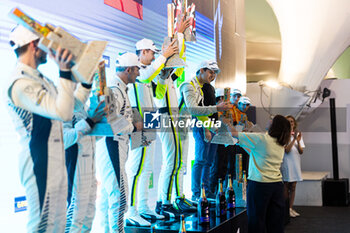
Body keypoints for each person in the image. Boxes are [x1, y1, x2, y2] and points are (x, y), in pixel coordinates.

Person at [6, 25, 91, 232]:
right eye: (45, 44)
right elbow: (62, 112)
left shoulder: (42, 79)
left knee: (58, 226)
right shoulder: (20, 83)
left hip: (55, 158)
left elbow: (72, 107)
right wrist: (64, 71)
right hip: (38, 161)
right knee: (43, 226)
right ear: (35, 45)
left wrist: (86, 83)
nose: (49, 50)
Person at [125, 35, 180, 225]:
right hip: (139, 121)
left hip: (151, 117)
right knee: (136, 167)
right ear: (143, 52)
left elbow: (158, 95)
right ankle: (130, 211)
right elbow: (147, 74)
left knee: (147, 167)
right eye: (152, 53)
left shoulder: (150, 71)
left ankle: (143, 207)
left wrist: (164, 79)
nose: (154, 56)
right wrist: (163, 57)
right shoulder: (136, 70)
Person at [153, 18, 197, 218]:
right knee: (171, 162)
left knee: (177, 161)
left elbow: (178, 57)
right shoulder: (159, 77)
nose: (176, 69)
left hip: (174, 121)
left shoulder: (170, 77)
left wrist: (180, 36)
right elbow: (165, 67)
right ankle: (164, 201)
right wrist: (175, 35)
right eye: (172, 65)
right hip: (165, 120)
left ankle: (175, 198)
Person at [95, 52, 142, 233]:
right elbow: (113, 122)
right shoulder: (115, 89)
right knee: (120, 196)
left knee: (109, 195)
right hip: (111, 144)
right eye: (137, 69)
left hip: (116, 145)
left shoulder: (120, 88)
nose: (138, 73)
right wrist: (134, 127)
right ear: (129, 69)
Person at [223, 115, 291, 233]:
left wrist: (227, 123)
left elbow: (233, 133)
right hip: (276, 186)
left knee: (256, 221)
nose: (269, 120)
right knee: (275, 223)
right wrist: (242, 143)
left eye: (272, 119)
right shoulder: (280, 143)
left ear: (275, 125)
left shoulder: (261, 138)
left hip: (259, 185)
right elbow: (255, 152)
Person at [178, 60, 231, 202]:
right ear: (201, 70)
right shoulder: (189, 85)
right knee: (198, 161)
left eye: (215, 73)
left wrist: (213, 126)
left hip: (201, 124)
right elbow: (194, 110)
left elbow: (202, 111)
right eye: (210, 72)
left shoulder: (204, 87)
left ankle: (204, 191)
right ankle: (195, 194)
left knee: (207, 161)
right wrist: (208, 125)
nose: (213, 75)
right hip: (184, 127)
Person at [63, 99, 105, 232]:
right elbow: (64, 139)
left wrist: (104, 125)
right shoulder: (64, 106)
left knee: (89, 214)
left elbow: (93, 137)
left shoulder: (85, 107)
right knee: (75, 217)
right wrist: (90, 121)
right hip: (76, 171)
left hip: (90, 170)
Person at [281, 115, 305, 218]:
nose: (290, 123)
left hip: (295, 162)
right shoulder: (283, 134)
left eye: (292, 121)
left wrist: (298, 140)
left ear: (294, 123)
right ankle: (286, 209)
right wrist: (294, 139)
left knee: (293, 186)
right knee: (286, 185)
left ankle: (290, 208)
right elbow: (287, 150)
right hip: (287, 162)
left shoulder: (298, 134)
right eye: (288, 121)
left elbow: (301, 151)